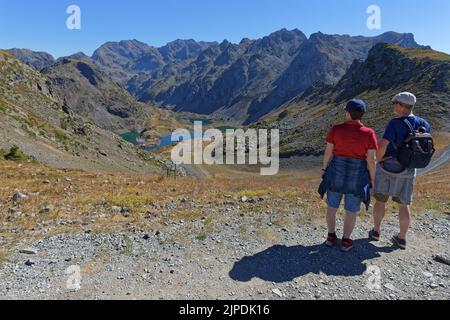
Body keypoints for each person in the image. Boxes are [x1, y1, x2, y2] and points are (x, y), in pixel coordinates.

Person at [370, 92, 430, 250]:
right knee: (404, 205)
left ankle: (376, 231)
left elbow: (383, 144)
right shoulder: (424, 123)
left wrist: (379, 159)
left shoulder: (394, 123)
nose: (394, 106)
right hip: (409, 169)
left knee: (380, 200)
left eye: (395, 103)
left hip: (388, 166)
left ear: (402, 106)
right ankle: (402, 238)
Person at [319, 99, 378, 252]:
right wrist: (372, 179)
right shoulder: (369, 133)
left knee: (332, 207)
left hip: (336, 171)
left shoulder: (336, 129)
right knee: (351, 210)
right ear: (362, 115)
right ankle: (346, 241)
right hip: (357, 175)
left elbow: (328, 151)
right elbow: (371, 160)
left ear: (347, 113)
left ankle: (331, 237)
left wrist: (324, 169)